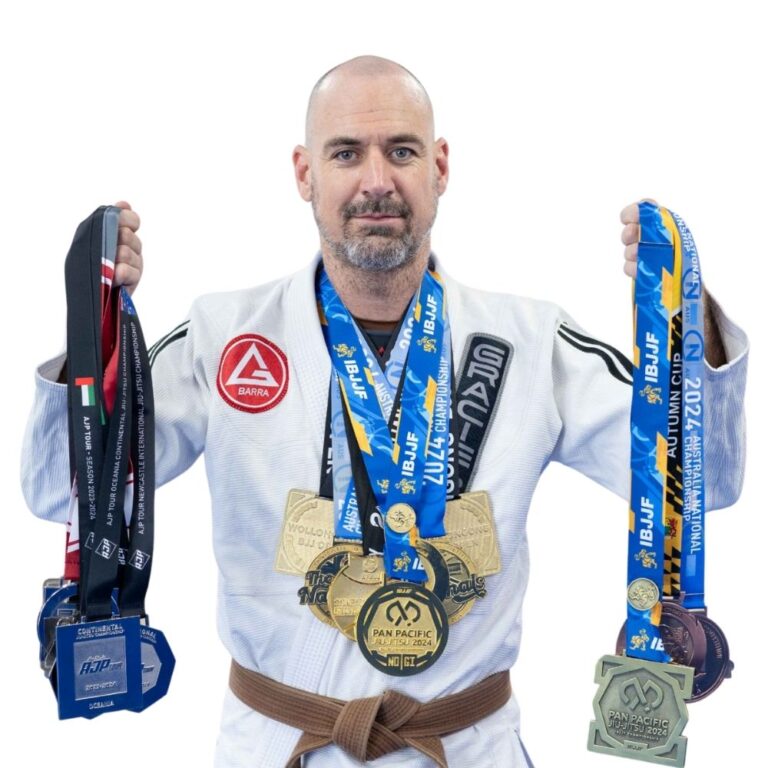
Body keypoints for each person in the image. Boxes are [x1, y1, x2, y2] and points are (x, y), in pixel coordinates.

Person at [22, 56, 747, 768]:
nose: (376, 181)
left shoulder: (532, 342)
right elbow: (62, 491)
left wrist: (683, 321)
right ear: (305, 173)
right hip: (279, 745)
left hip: (465, 748)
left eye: (401, 151)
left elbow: (704, 482)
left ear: (440, 167)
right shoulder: (226, 338)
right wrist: (95, 331)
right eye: (346, 153)